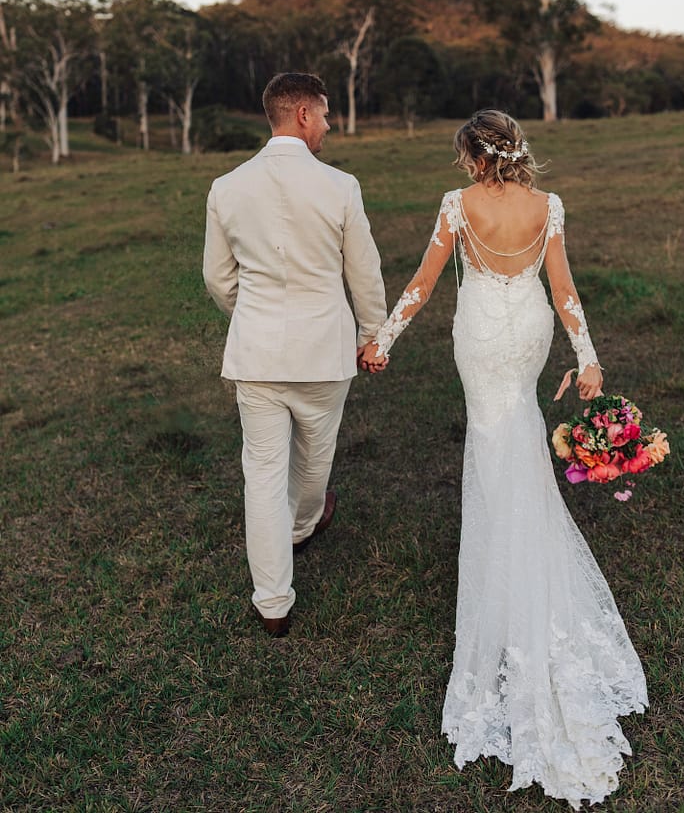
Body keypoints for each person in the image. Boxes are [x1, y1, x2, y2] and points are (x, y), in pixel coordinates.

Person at [360, 109, 648, 809]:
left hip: (483, 333)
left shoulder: (457, 206)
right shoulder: (547, 207)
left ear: (471, 154)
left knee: (494, 438)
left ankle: (503, 566)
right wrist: (589, 359)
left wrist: (384, 340)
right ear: (514, 149)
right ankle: (523, 553)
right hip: (530, 332)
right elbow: (565, 289)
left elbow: (426, 283)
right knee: (516, 427)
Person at [203, 72, 386, 637]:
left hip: (256, 353)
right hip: (323, 351)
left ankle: (273, 603)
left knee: (260, 473)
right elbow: (364, 271)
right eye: (326, 115)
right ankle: (304, 526)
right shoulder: (341, 186)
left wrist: (252, 315)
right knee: (314, 456)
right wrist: (370, 333)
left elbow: (216, 277)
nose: (330, 126)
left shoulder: (227, 186)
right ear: (303, 114)